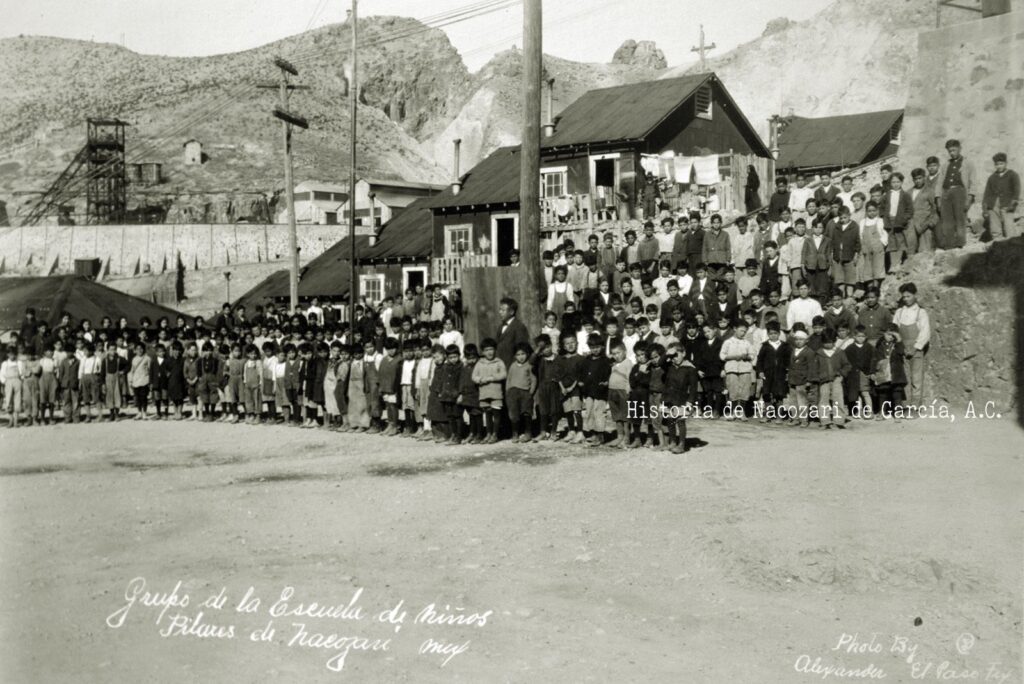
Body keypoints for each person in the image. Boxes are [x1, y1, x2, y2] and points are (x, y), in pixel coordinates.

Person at [891, 282, 930, 410]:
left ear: (914, 295)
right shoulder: (899, 312)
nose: (906, 299)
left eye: (909, 296)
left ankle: (915, 406)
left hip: (916, 350)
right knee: (904, 378)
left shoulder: (921, 312)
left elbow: (925, 332)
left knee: (916, 379)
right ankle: (905, 405)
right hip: (902, 349)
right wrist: (899, 346)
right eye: (904, 297)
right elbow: (894, 330)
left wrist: (915, 348)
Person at [934, 139, 977, 249]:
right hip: (946, 192)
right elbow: (939, 182)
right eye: (949, 151)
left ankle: (960, 243)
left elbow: (973, 181)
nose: (952, 153)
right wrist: (938, 197)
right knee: (947, 220)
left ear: (959, 149)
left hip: (959, 191)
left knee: (959, 218)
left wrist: (970, 197)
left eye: (954, 150)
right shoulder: (945, 165)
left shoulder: (968, 163)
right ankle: (949, 244)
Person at [662, 342, 699, 454]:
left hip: (682, 399)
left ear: (684, 353)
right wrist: (668, 354)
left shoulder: (690, 368)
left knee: (680, 421)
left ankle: (682, 444)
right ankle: (673, 441)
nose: (674, 358)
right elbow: (660, 362)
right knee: (670, 420)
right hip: (669, 398)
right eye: (671, 357)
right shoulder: (669, 366)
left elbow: (693, 387)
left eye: (676, 355)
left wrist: (690, 401)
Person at [815, 328, 851, 429]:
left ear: (834, 341)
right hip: (823, 381)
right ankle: (825, 421)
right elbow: (815, 367)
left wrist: (841, 374)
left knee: (838, 399)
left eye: (830, 342)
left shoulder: (840, 352)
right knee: (823, 400)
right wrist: (818, 377)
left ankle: (839, 421)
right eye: (825, 342)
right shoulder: (819, 353)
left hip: (836, 379)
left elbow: (847, 365)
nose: (828, 345)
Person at [473, 338, 507, 444]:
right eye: (487, 350)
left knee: (496, 414)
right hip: (484, 393)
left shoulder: (499, 362)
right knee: (487, 414)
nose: (489, 352)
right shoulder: (480, 363)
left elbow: (504, 374)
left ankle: (495, 434)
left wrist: (492, 378)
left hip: (496, 393)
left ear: (495, 350)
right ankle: (488, 433)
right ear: (483, 352)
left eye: (491, 349)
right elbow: (474, 376)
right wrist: (479, 380)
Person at [870, 323, 908, 421]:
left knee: (897, 394)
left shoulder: (897, 345)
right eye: (888, 334)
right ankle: (882, 412)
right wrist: (872, 372)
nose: (890, 337)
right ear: (883, 334)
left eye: (893, 335)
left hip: (895, 373)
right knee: (883, 393)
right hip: (883, 373)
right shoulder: (879, 345)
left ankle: (898, 414)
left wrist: (899, 339)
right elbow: (874, 359)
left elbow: (901, 352)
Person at [719, 320, 755, 420]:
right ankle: (734, 411)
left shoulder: (747, 343)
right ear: (735, 329)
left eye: (745, 331)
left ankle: (741, 412)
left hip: (744, 369)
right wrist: (733, 357)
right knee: (733, 390)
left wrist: (746, 357)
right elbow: (722, 356)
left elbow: (752, 355)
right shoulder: (728, 342)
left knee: (744, 391)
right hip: (732, 368)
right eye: (741, 331)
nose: (743, 333)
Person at [982, 152, 1020, 240]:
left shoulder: (1012, 175)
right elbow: (987, 193)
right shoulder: (992, 177)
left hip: (1007, 203)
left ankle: (1011, 243)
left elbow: (1016, 190)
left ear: (1006, 163)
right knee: (994, 225)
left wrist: (1013, 203)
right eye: (997, 164)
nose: (999, 166)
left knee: (1008, 224)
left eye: (1001, 164)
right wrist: (985, 208)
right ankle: (997, 241)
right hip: (993, 204)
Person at [882, 172, 913, 272]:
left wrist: (904, 219)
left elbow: (910, 210)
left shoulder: (905, 195)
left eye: (898, 182)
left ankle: (899, 263)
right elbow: (882, 208)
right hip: (889, 220)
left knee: (900, 241)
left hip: (899, 221)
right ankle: (893, 264)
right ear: (890, 183)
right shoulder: (887, 195)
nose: (895, 184)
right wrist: (884, 217)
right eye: (893, 182)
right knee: (891, 242)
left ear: (902, 182)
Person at [506, 342, 536, 443]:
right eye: (518, 355)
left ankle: (528, 433)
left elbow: (533, 379)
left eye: (523, 354)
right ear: (515, 356)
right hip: (513, 392)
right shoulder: (513, 366)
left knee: (526, 412)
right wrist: (508, 391)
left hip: (525, 392)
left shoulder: (529, 365)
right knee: (514, 414)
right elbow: (509, 379)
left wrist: (530, 392)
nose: (521, 357)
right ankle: (515, 433)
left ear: (527, 354)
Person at [606, 341, 633, 449]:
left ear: (625, 352)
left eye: (618, 352)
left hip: (623, 391)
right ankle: (619, 436)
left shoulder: (628, 363)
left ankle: (626, 438)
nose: (616, 356)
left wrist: (628, 390)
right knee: (617, 416)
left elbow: (629, 378)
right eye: (614, 354)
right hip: (612, 391)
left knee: (625, 417)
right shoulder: (613, 364)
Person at [495, 298, 531, 370]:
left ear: (511, 312)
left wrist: (515, 367)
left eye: (503, 310)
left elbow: (521, 349)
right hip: (499, 366)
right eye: (499, 309)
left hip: (511, 367)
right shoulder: (500, 326)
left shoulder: (519, 327)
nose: (500, 312)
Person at [908, 168, 938, 254]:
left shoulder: (929, 191)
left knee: (925, 251)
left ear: (924, 178)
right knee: (912, 252)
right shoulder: (908, 192)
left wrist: (930, 223)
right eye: (915, 179)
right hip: (912, 226)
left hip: (925, 225)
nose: (917, 181)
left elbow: (934, 208)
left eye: (919, 178)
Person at [801, 220, 832, 302]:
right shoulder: (808, 240)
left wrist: (830, 267)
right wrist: (803, 266)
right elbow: (804, 253)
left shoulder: (827, 240)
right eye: (816, 227)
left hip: (823, 265)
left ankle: (822, 303)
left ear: (823, 229)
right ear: (812, 228)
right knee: (811, 286)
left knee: (822, 286)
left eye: (820, 227)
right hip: (810, 266)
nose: (818, 229)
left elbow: (829, 254)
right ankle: (812, 302)